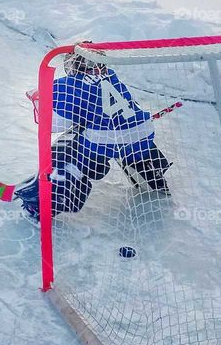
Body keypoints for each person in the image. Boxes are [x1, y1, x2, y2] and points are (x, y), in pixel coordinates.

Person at [13, 49, 171, 221]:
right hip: (143, 132)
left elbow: (55, 125)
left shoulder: (69, 84)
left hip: (105, 139)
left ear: (73, 65)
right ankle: (153, 177)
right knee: (128, 136)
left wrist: (38, 99)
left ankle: (40, 207)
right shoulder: (110, 75)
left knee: (66, 152)